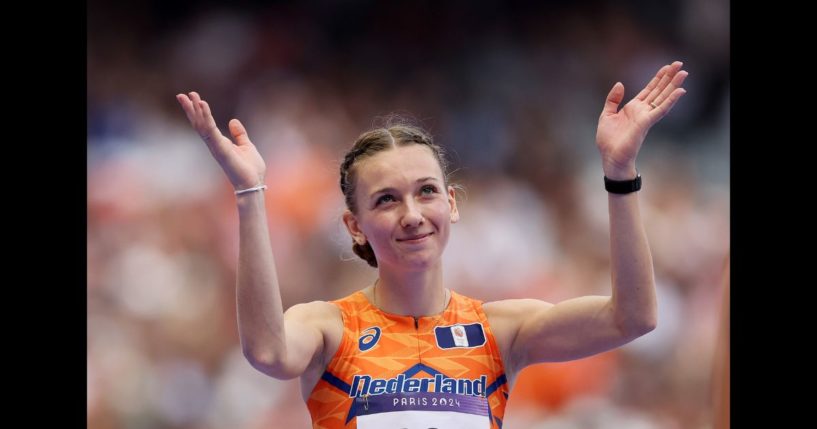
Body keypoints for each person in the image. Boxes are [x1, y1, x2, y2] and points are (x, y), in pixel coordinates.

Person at [176, 60, 688, 429]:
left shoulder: (500, 330)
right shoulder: (328, 327)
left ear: (453, 203)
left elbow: (634, 318)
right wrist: (248, 193)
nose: (413, 215)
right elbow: (267, 350)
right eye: (386, 200)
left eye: (426, 192)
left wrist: (619, 174)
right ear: (355, 227)